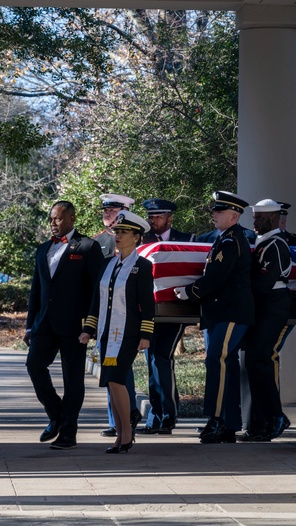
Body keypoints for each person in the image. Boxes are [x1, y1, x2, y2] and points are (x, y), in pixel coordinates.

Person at [174, 191, 254, 443]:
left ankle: (217, 420)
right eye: (214, 211)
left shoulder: (231, 241)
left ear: (234, 215)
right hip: (221, 312)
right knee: (225, 365)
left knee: (217, 361)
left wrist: (190, 292)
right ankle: (228, 423)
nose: (214, 215)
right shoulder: (225, 239)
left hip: (230, 312)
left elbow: (217, 277)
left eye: (219, 211)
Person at [25, 200, 103, 450]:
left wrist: (89, 326)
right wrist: (29, 325)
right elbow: (36, 291)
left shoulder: (89, 247)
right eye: (50, 219)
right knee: (34, 366)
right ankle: (56, 415)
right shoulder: (42, 249)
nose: (53, 223)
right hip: (44, 324)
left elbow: (97, 291)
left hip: (74, 326)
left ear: (71, 218)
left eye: (57, 218)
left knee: (73, 380)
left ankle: (69, 432)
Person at [79, 211, 155, 454]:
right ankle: (124, 429)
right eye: (117, 231)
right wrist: (88, 328)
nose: (118, 236)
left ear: (136, 237)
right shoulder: (108, 264)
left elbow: (147, 304)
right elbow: (96, 300)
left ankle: (125, 434)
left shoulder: (142, 266)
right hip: (106, 333)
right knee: (111, 382)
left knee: (117, 379)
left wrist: (146, 334)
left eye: (123, 232)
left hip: (128, 334)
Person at [240, 199, 293, 442]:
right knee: (252, 360)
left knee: (260, 357)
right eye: (254, 218)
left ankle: (276, 416)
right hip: (264, 305)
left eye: (260, 218)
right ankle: (262, 421)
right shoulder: (264, 243)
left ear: (273, 219)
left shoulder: (276, 244)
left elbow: (264, 282)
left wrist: (237, 291)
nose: (255, 223)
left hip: (273, 305)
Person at [139, 198, 191, 435]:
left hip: (175, 310)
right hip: (149, 312)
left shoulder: (188, 240)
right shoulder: (142, 241)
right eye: (150, 216)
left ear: (170, 218)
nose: (152, 220)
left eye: (158, 216)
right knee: (152, 361)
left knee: (161, 357)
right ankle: (157, 416)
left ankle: (167, 415)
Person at [91, 193, 141, 439]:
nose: (107, 214)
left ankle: (127, 417)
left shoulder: (133, 247)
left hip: (125, 325)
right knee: (111, 374)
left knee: (120, 373)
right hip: (106, 322)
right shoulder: (98, 241)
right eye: (106, 210)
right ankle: (117, 422)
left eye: (113, 210)